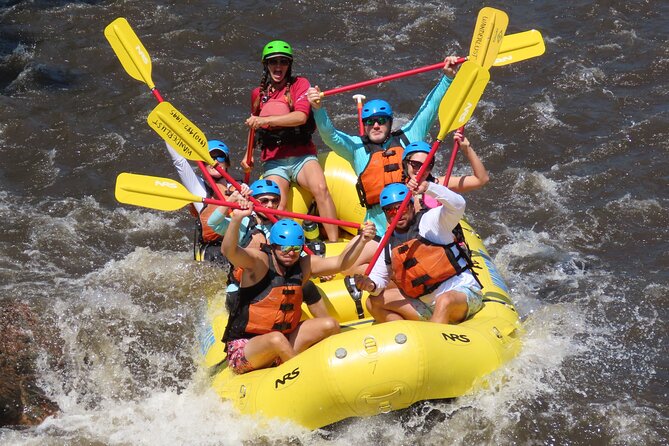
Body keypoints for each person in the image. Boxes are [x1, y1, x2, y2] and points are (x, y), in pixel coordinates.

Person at [306, 56, 460, 238]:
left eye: (381, 120)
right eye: (370, 122)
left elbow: (430, 109)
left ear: (389, 123)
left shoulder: (408, 137)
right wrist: (317, 108)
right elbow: (329, 135)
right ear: (365, 124)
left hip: (411, 226)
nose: (376, 125)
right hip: (378, 231)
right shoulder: (356, 148)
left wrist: (447, 78)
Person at [222, 207, 376, 374]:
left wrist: (363, 240)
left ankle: (337, 370)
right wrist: (236, 219)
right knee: (276, 339)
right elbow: (229, 251)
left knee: (330, 324)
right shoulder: (259, 262)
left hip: (285, 340)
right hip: (246, 347)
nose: (291, 253)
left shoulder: (305, 265)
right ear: (273, 246)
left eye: (296, 249)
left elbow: (340, 263)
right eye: (285, 248)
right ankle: (304, 376)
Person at [244, 40, 339, 242]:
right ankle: (284, 247)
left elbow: (300, 117)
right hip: (274, 160)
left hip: (302, 156)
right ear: (266, 65)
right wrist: (247, 155)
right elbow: (254, 126)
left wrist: (265, 119)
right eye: (273, 62)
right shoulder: (257, 95)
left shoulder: (300, 85)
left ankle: (334, 243)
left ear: (289, 64)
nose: (278, 67)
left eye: (283, 62)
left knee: (320, 188)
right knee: (278, 203)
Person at [353, 182, 483, 325]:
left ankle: (435, 339)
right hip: (427, 304)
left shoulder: (431, 222)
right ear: (385, 214)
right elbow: (379, 278)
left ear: (410, 206)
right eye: (390, 211)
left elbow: (458, 205)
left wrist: (429, 188)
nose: (397, 214)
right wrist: (370, 285)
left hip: (462, 293)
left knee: (444, 301)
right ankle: (411, 336)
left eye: (401, 208)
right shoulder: (388, 241)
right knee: (374, 302)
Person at [165, 139, 247, 263]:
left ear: (227, 163)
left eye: (220, 157)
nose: (214, 161)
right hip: (214, 249)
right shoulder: (197, 188)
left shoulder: (240, 186)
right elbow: (179, 161)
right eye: (209, 157)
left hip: (241, 243)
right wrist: (166, 130)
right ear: (202, 163)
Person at [401, 135, 489, 211]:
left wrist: (467, 148)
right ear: (405, 164)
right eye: (415, 164)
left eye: (427, 166)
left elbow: (481, 180)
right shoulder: (398, 191)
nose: (421, 170)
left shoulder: (442, 184)